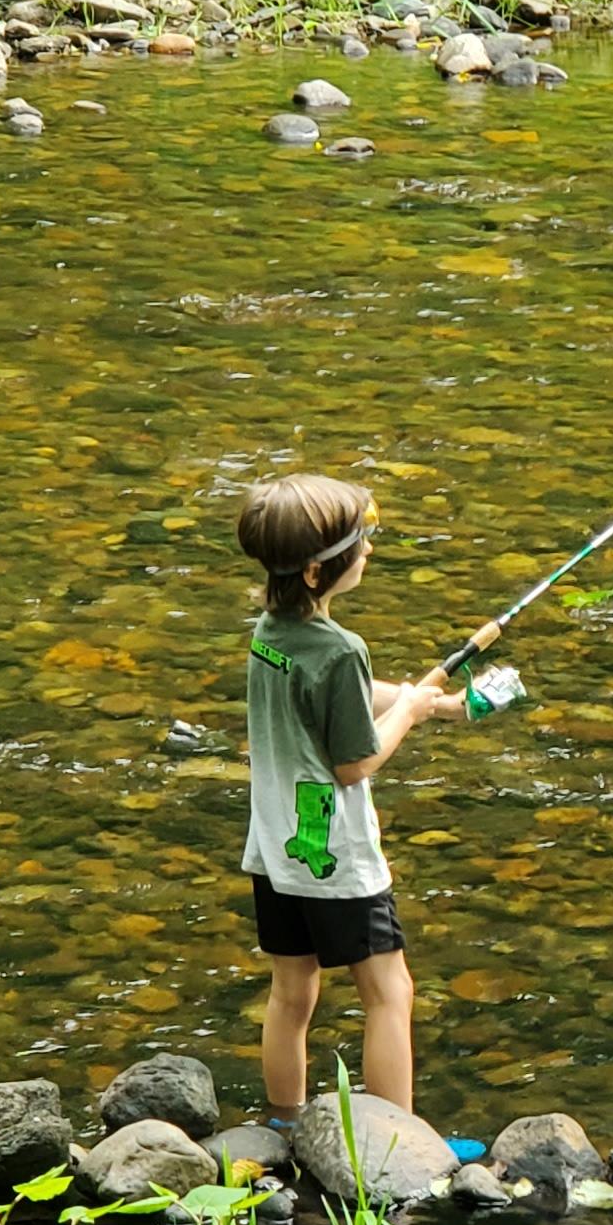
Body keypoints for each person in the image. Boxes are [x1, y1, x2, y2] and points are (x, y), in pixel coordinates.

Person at [233, 473, 468, 1126]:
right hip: (334, 854)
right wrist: (411, 715)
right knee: (390, 993)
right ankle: (402, 1143)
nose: (367, 551)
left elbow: (332, 693)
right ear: (315, 573)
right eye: (359, 544)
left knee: (291, 993)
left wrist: (428, 702)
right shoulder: (342, 649)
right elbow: (354, 761)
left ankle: (284, 1122)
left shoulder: (268, 631)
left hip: (277, 850)